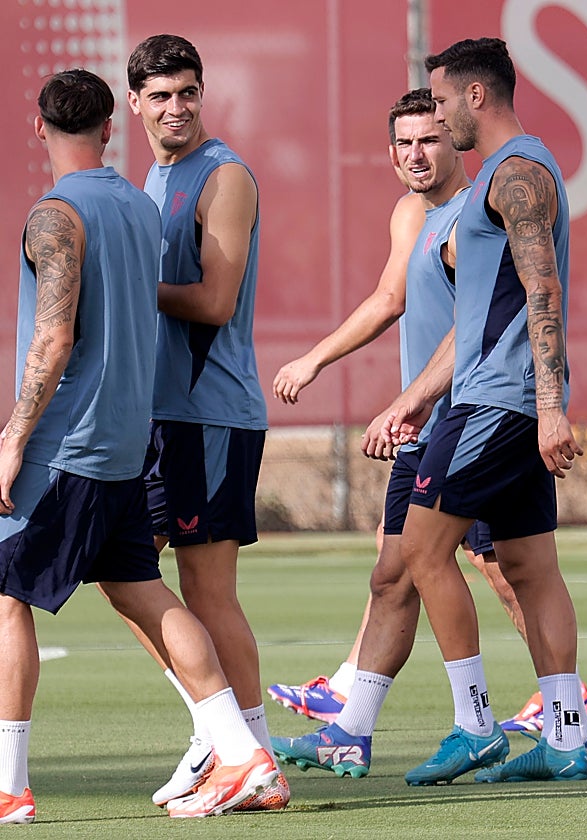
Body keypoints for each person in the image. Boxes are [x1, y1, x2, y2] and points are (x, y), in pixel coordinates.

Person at [268, 88, 587, 779]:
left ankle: (491, 724)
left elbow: (477, 325)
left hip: (469, 417)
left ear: (456, 132)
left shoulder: (477, 210)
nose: (419, 151)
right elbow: (392, 299)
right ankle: (354, 730)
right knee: (406, 574)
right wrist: (324, 362)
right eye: (406, 141)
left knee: (468, 566)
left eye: (433, 133)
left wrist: (414, 397)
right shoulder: (415, 215)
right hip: (442, 422)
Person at [0, 68, 278, 823]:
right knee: (140, 589)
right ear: (111, 125)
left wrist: (14, 434)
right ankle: (240, 750)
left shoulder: (57, 214)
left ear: (39, 128)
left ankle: (10, 786)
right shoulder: (136, 203)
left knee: (8, 597)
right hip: (128, 441)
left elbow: (54, 338)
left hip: (70, 442)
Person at [376, 36, 587, 784]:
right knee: (530, 565)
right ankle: (566, 738)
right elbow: (479, 315)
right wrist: (421, 397)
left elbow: (543, 290)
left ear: (476, 96)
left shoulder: (517, 173)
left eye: (441, 101)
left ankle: (474, 726)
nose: (436, 116)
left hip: (500, 402)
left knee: (420, 549)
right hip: (503, 399)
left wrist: (550, 406)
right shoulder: (508, 172)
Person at [124, 34, 285, 809]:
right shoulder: (152, 178)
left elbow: (216, 302)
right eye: (160, 95)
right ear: (134, 104)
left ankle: (250, 759)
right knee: (121, 572)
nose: (176, 107)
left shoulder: (225, 176)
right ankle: (219, 736)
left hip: (210, 414)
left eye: (187, 92)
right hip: (157, 417)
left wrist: (123, 283)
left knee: (207, 592)